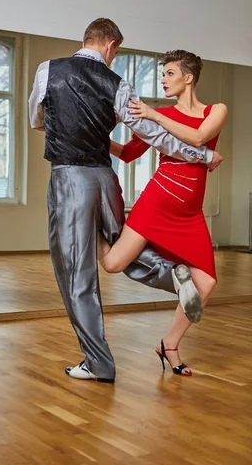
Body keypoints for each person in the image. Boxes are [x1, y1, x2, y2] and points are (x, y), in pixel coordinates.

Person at [28, 18, 222, 383]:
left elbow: (35, 119)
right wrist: (204, 157)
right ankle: (172, 275)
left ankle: (98, 363)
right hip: (106, 179)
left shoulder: (48, 70)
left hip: (70, 177)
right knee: (117, 249)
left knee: (76, 273)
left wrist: (64, 126)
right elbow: (154, 136)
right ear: (111, 46)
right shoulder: (117, 83)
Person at [98, 50, 227, 375]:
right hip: (157, 202)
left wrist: (154, 116)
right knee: (112, 264)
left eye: (170, 73)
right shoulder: (159, 114)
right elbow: (127, 153)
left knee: (206, 284)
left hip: (190, 214)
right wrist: (97, 139)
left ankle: (168, 344)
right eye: (163, 74)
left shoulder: (216, 110)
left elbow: (199, 137)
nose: (164, 79)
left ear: (189, 77)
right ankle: (87, 225)